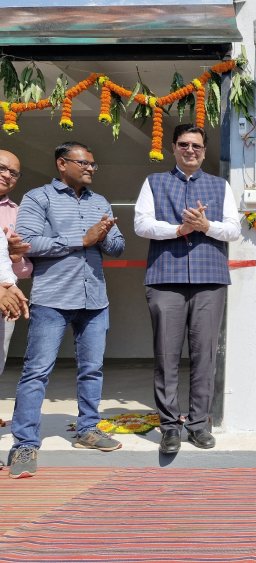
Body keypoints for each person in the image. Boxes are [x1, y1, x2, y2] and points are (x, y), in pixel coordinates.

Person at [7, 141, 125, 479]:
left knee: (92, 369)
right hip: (53, 299)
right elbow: (27, 241)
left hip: (95, 300)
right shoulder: (38, 198)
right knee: (36, 372)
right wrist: (81, 239)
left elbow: (117, 246)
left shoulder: (99, 201)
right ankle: (25, 443)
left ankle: (88, 428)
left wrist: (104, 236)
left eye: (93, 164)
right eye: (83, 162)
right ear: (62, 164)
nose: (90, 168)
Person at [134, 124, 240, 455]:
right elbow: (142, 224)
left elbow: (234, 230)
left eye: (196, 145)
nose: (190, 150)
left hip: (209, 279)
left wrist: (206, 226)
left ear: (205, 151)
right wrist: (180, 229)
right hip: (165, 278)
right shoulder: (154, 182)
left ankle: (198, 424)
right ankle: (168, 427)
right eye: (183, 144)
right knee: (166, 355)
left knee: (204, 355)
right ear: (174, 148)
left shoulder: (220, 186)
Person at [0, 150, 33, 374]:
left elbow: (24, 271)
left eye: (14, 173)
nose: (7, 175)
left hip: (5, 301)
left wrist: (15, 257)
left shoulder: (18, 214)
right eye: (2, 168)